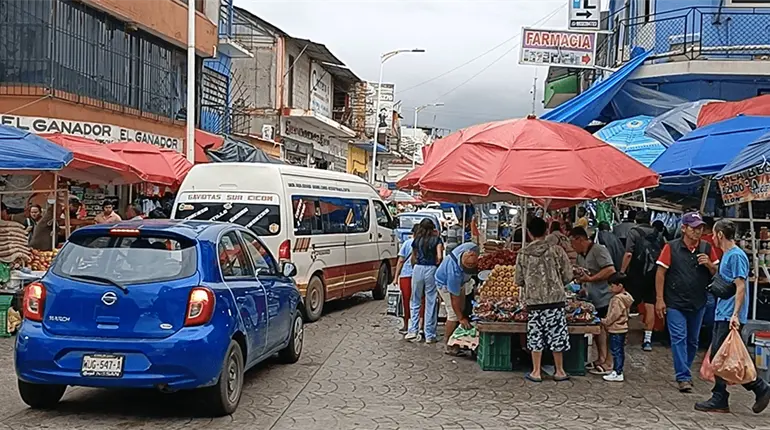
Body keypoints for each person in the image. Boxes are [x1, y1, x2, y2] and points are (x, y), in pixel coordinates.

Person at [695, 219, 770, 414]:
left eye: (713, 234)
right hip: (723, 312)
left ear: (720, 234)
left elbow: (741, 286)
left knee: (724, 358)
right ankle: (726, 395)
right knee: (721, 357)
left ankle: (754, 388)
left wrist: (735, 314)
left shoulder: (736, 256)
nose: (711, 237)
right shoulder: (727, 255)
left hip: (729, 315)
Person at [655, 211, 719, 393]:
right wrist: (660, 299)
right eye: (694, 228)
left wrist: (709, 265)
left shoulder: (706, 248)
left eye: (700, 228)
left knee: (692, 340)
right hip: (675, 302)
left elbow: (718, 273)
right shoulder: (671, 248)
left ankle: (685, 371)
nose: (698, 231)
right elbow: (660, 273)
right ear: (684, 228)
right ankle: (683, 376)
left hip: (698, 301)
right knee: (679, 338)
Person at [516, 217, 572, 382]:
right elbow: (568, 275)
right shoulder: (557, 251)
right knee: (557, 335)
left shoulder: (523, 253)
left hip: (534, 303)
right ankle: (560, 371)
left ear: (529, 233)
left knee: (535, 336)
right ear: (547, 231)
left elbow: (519, 280)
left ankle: (536, 371)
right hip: (555, 301)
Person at [570, 226, 617, 375]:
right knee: (598, 330)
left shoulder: (598, 250)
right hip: (592, 298)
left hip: (605, 297)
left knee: (607, 330)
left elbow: (610, 270)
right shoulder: (580, 255)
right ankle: (601, 358)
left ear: (580, 239)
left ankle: (609, 362)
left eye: (573, 243)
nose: (571, 247)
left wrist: (591, 279)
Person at [620, 210, 662, 351]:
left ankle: (623, 336)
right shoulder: (658, 234)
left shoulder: (634, 232)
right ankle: (647, 340)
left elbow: (629, 253)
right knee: (650, 306)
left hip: (636, 274)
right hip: (653, 275)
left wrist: (622, 272)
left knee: (626, 303)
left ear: (636, 220)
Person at [435, 242, 479, 355]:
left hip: (462, 282)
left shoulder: (471, 248)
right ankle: (448, 344)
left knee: (462, 308)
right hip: (444, 284)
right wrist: (461, 318)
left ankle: (458, 340)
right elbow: (455, 299)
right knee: (453, 314)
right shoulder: (453, 273)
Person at [405, 218, 443, 343]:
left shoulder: (417, 240)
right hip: (431, 269)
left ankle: (412, 330)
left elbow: (413, 256)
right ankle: (429, 334)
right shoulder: (437, 240)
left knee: (415, 300)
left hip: (418, 268)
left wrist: (414, 267)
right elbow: (439, 257)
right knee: (430, 300)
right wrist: (436, 265)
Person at [601, 272, 633, 382]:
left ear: (620, 286)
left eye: (612, 285)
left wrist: (605, 321)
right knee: (619, 350)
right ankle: (617, 370)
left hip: (616, 328)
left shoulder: (617, 299)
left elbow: (614, 314)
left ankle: (617, 372)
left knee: (616, 351)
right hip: (623, 327)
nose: (610, 288)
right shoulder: (626, 297)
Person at [393, 225, 425, 334]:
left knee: (406, 301)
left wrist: (396, 277)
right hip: (420, 275)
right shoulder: (424, 244)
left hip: (406, 275)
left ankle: (406, 324)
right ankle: (421, 325)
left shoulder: (407, 243)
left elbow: (401, 261)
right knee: (421, 300)